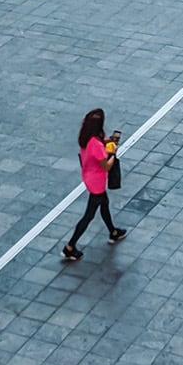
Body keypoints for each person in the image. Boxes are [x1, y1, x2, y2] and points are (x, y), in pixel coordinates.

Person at [62, 109, 127, 260]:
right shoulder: (96, 146)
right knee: (89, 215)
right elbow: (106, 166)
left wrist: (107, 141)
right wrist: (112, 153)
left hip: (89, 176)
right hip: (97, 181)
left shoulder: (85, 138)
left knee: (104, 203)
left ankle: (113, 231)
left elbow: (94, 147)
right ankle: (70, 246)